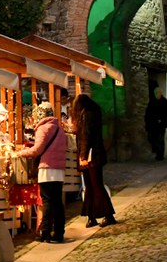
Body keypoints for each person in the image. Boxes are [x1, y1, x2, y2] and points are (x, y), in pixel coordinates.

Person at [19, 103, 68, 242]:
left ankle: (45, 232)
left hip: (46, 168)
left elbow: (37, 150)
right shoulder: (59, 129)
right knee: (57, 202)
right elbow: (66, 146)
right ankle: (59, 233)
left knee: (47, 201)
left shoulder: (42, 129)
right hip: (59, 169)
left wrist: (22, 153)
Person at [73, 92, 118, 227]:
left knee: (95, 185)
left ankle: (106, 215)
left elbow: (86, 136)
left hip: (92, 157)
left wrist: (82, 156)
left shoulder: (87, 116)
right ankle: (92, 216)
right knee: (91, 186)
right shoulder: (91, 113)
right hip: (93, 155)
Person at [144, 86, 167, 161]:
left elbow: (166, 112)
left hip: (161, 124)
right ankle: (157, 152)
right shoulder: (152, 102)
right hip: (153, 125)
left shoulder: (164, 102)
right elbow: (148, 113)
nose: (159, 94)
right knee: (151, 138)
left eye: (160, 92)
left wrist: (162, 120)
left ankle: (160, 155)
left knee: (160, 139)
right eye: (157, 93)